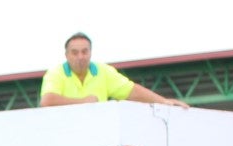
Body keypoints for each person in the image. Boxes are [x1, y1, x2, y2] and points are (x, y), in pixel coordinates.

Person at [41, 32, 188, 108]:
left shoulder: (104, 71)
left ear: (91, 52)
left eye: (85, 51)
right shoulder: (55, 73)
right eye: (75, 52)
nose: (80, 56)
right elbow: (47, 101)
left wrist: (163, 101)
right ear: (66, 55)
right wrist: (84, 101)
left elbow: (132, 91)